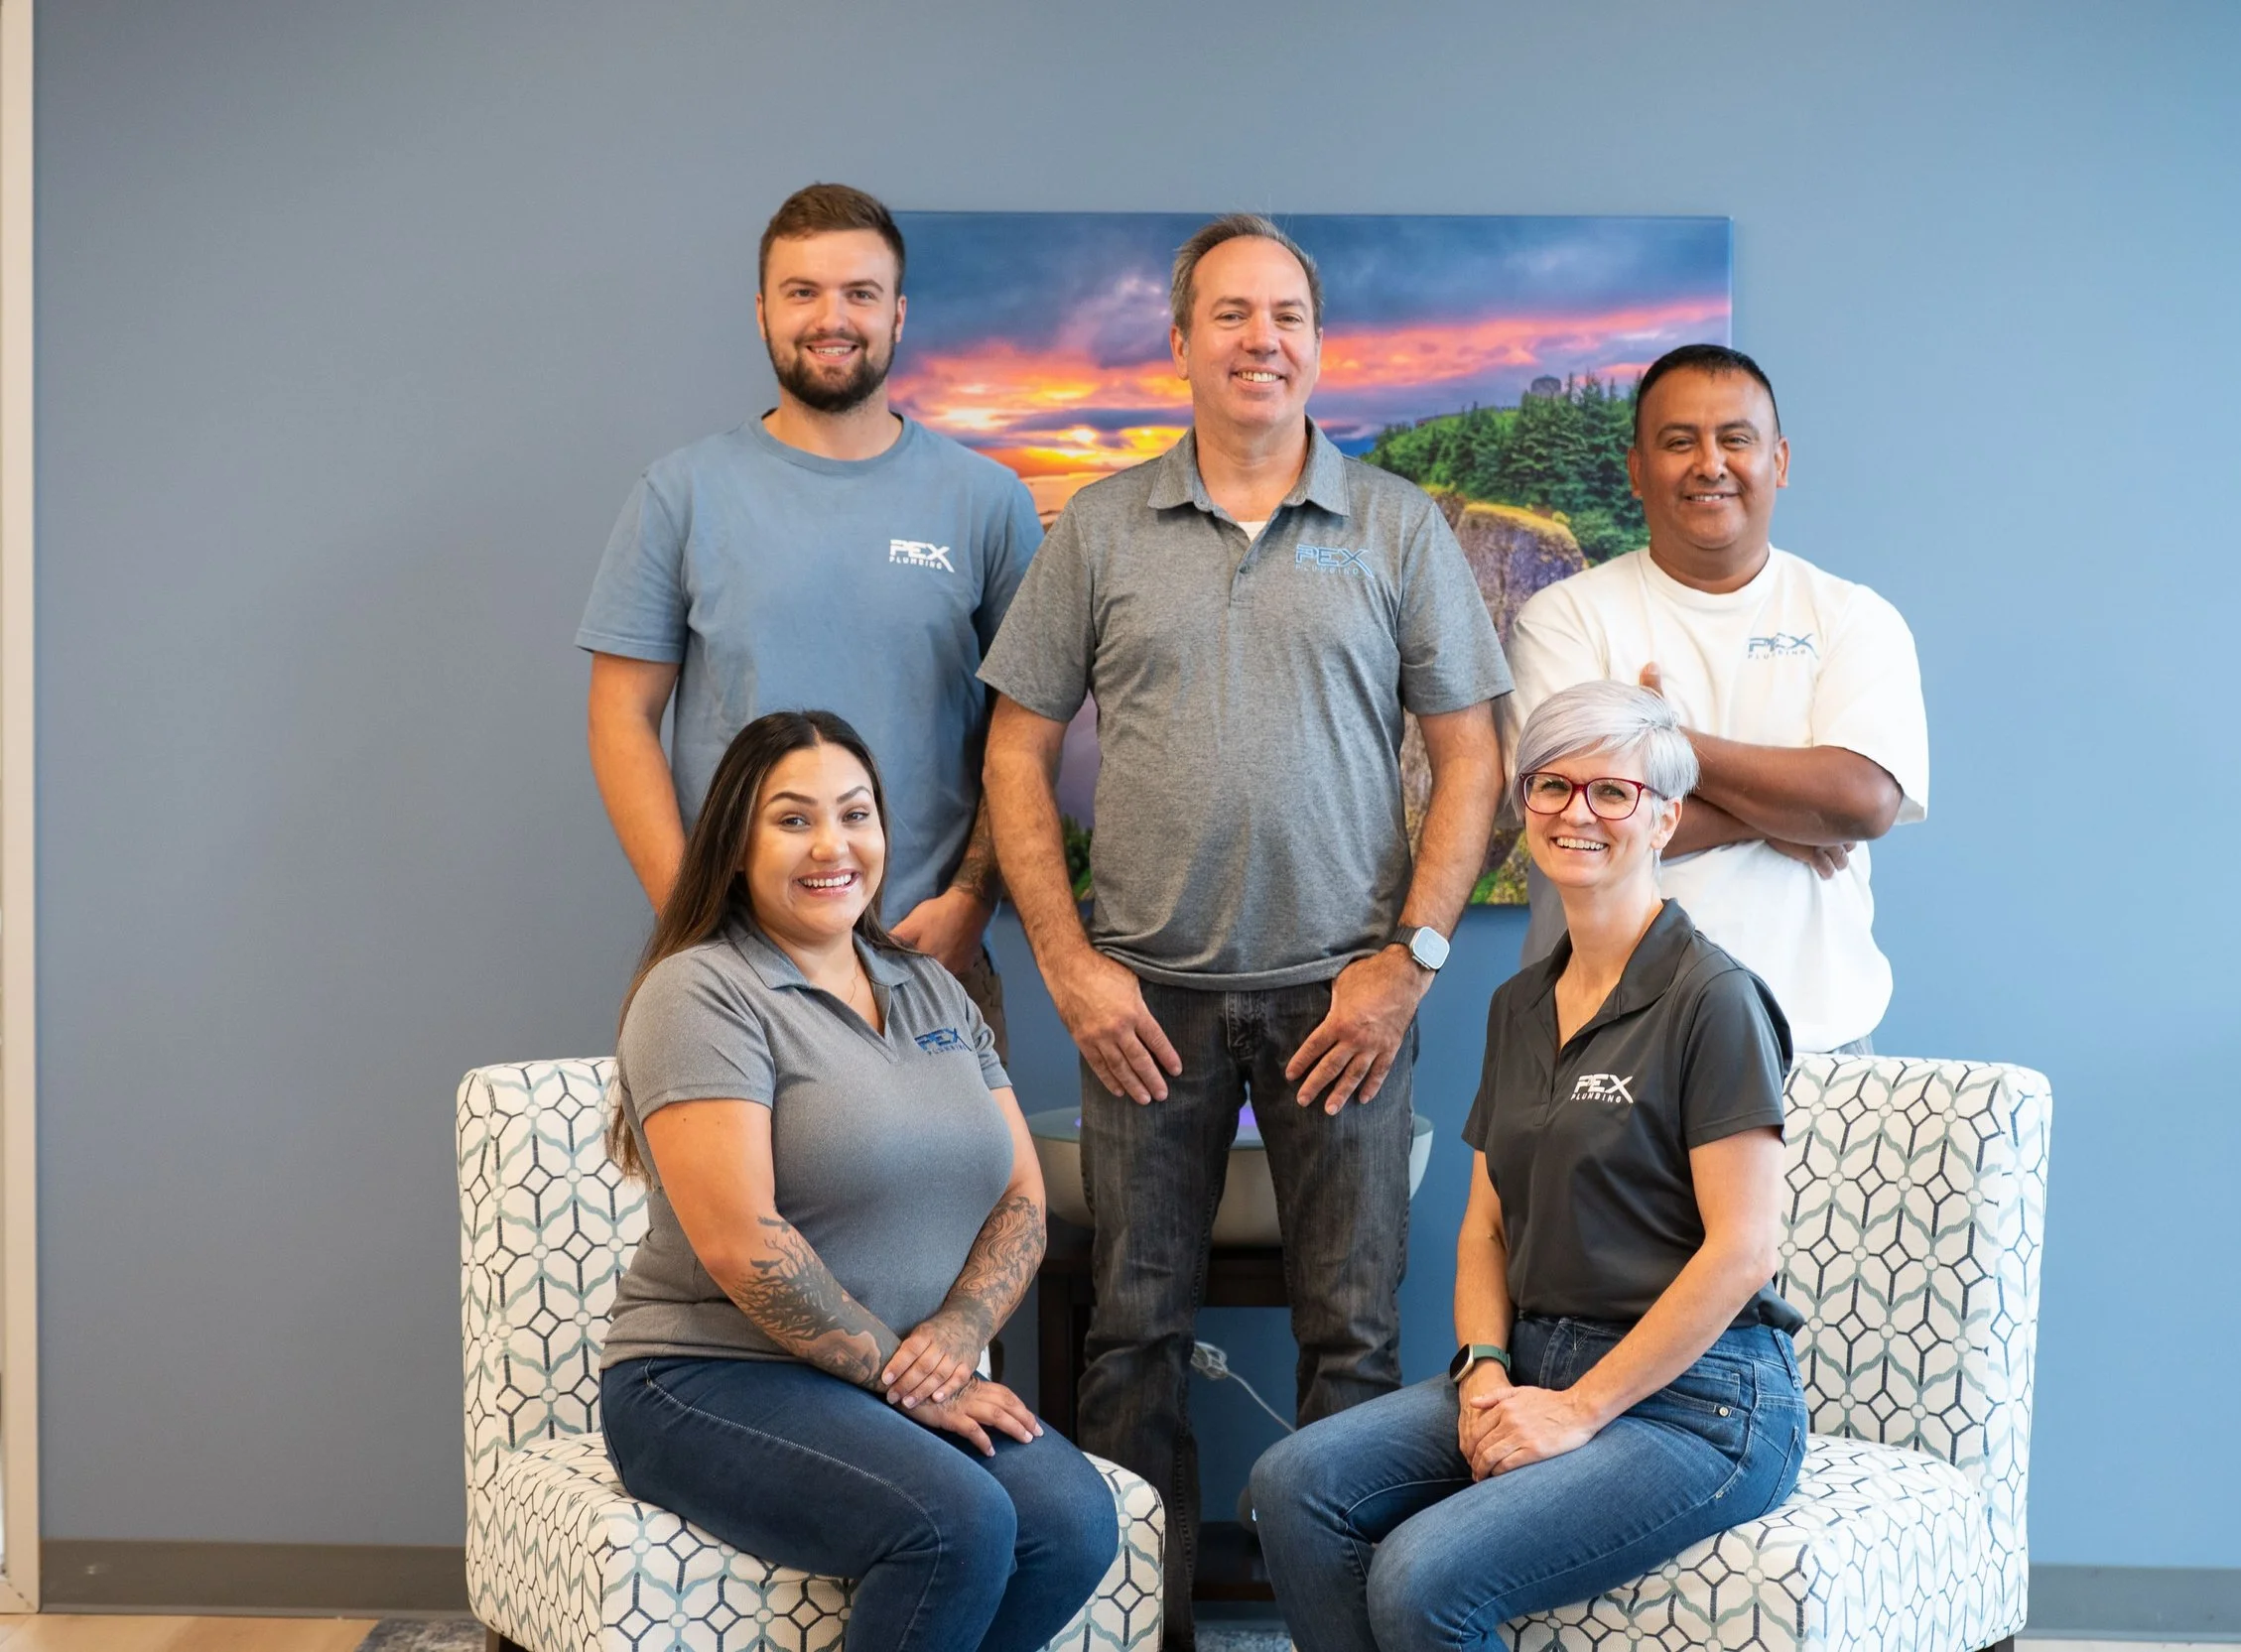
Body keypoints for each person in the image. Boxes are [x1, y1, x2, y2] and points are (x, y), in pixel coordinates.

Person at [978, 213, 1512, 1648]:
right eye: (1230, 313)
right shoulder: (1101, 528)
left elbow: (1472, 753)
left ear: (1319, 345)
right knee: (1131, 1335)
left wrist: (1411, 964)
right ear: (1181, 343)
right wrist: (1067, 964)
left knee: (1355, 1340)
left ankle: (1340, 1630)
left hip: (1347, 1004)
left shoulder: (1395, 525)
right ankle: (1132, 1631)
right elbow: (1015, 748)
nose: (1259, 338)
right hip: (1143, 1005)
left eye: (1285, 314)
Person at [1249, 682, 1808, 1652]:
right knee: (1292, 1485)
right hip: (1534, 1360)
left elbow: (1743, 1251)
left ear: (1665, 817)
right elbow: (1486, 1227)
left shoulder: (1712, 998)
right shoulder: (1518, 1006)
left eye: (1612, 791)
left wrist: (1579, 1410)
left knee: (1422, 1576)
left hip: (1699, 1402)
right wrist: (1483, 1370)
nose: (1575, 811)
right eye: (1551, 785)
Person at [596, 709, 1117, 1652]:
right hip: (709, 1379)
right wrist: (908, 1380)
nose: (832, 845)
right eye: (793, 819)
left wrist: (960, 1332)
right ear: (737, 845)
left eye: (855, 813)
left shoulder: (931, 985)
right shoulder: (701, 992)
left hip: (896, 1375)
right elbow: (743, 1241)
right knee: (956, 1523)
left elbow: (1021, 1196)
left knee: (1072, 1522)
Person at [579, 183, 1040, 1047]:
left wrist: (971, 901)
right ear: (763, 313)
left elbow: (1026, 728)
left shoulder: (987, 502)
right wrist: (693, 921)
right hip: (733, 970)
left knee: (983, 1150)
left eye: (860, 292)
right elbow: (620, 717)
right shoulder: (681, 494)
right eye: (803, 292)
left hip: (932, 959)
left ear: (898, 314)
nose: (833, 318)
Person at [1502, 344, 1928, 1054]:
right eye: (1679, 442)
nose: (1710, 464)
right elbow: (1580, 823)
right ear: (1636, 469)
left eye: (1736, 439)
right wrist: (1790, 814)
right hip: (1603, 1033)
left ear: (1778, 461)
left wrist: (1665, 744)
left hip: (1815, 1039)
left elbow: (1862, 802)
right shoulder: (1564, 618)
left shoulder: (1853, 617)